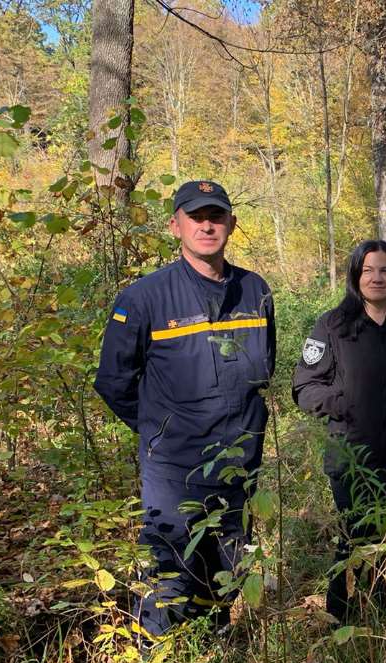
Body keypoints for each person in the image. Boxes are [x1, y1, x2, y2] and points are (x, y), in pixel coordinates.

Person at [94, 180, 276, 639]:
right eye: (196, 217)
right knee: (171, 570)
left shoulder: (255, 290)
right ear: (176, 225)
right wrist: (163, 430)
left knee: (227, 565)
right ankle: (158, 655)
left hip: (239, 462)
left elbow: (263, 368)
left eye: (216, 216)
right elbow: (113, 382)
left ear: (232, 224)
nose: (207, 226)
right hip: (175, 466)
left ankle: (210, 648)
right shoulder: (144, 298)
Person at [292, 239, 386, 621]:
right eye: (369, 270)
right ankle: (341, 620)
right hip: (351, 458)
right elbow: (304, 387)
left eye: (385, 270)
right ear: (356, 276)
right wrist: (344, 404)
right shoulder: (333, 325)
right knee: (354, 540)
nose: (377, 278)